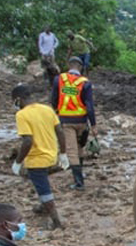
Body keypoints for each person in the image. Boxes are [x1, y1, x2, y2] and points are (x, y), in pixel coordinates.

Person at [11, 84, 68, 229]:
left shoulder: (22, 115)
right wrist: (63, 153)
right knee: (40, 181)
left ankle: (56, 222)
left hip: (36, 159)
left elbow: (28, 140)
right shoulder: (47, 109)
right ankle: (43, 206)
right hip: (51, 156)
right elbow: (60, 132)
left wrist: (18, 161)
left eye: (14, 101)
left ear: (18, 99)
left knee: (44, 190)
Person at [51, 56, 97, 191]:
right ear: (80, 67)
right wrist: (93, 124)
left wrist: (56, 113)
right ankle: (80, 175)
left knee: (71, 151)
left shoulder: (59, 80)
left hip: (66, 121)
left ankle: (79, 182)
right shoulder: (85, 82)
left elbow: (54, 99)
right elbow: (89, 105)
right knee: (79, 148)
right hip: (82, 121)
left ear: (68, 65)